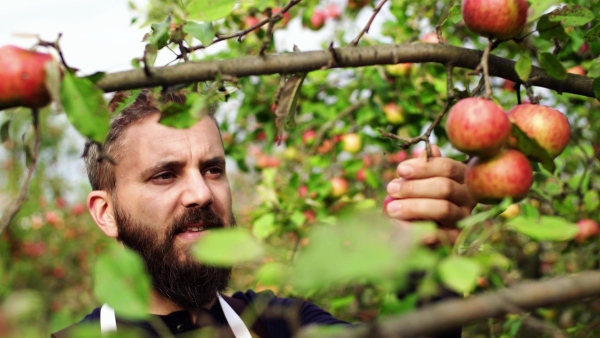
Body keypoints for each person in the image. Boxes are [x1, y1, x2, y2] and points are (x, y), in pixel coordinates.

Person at [51, 89, 476, 337]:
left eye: (213, 169)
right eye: (165, 175)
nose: (200, 192)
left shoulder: (280, 326)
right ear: (105, 213)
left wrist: (428, 258)